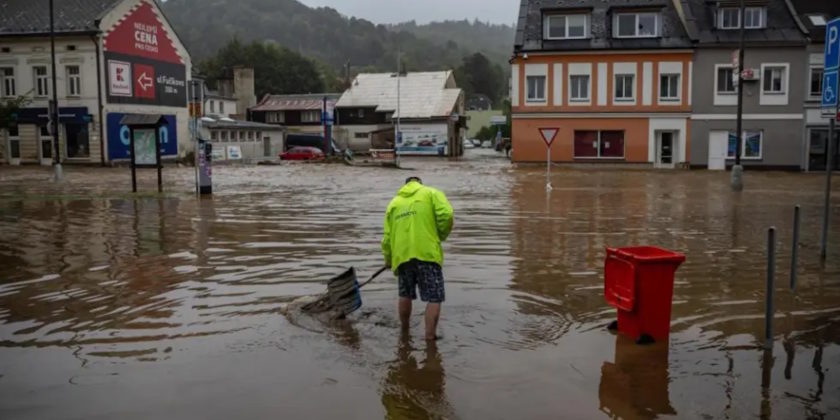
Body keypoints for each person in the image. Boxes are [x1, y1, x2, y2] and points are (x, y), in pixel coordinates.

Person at [382, 176, 454, 341]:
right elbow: (447, 214)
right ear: (420, 184)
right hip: (427, 253)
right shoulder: (431, 193)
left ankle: (405, 332)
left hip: (402, 256)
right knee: (434, 297)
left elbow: (386, 237)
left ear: (405, 185)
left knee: (405, 294)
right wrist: (440, 234)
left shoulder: (394, 203)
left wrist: (389, 258)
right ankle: (429, 337)